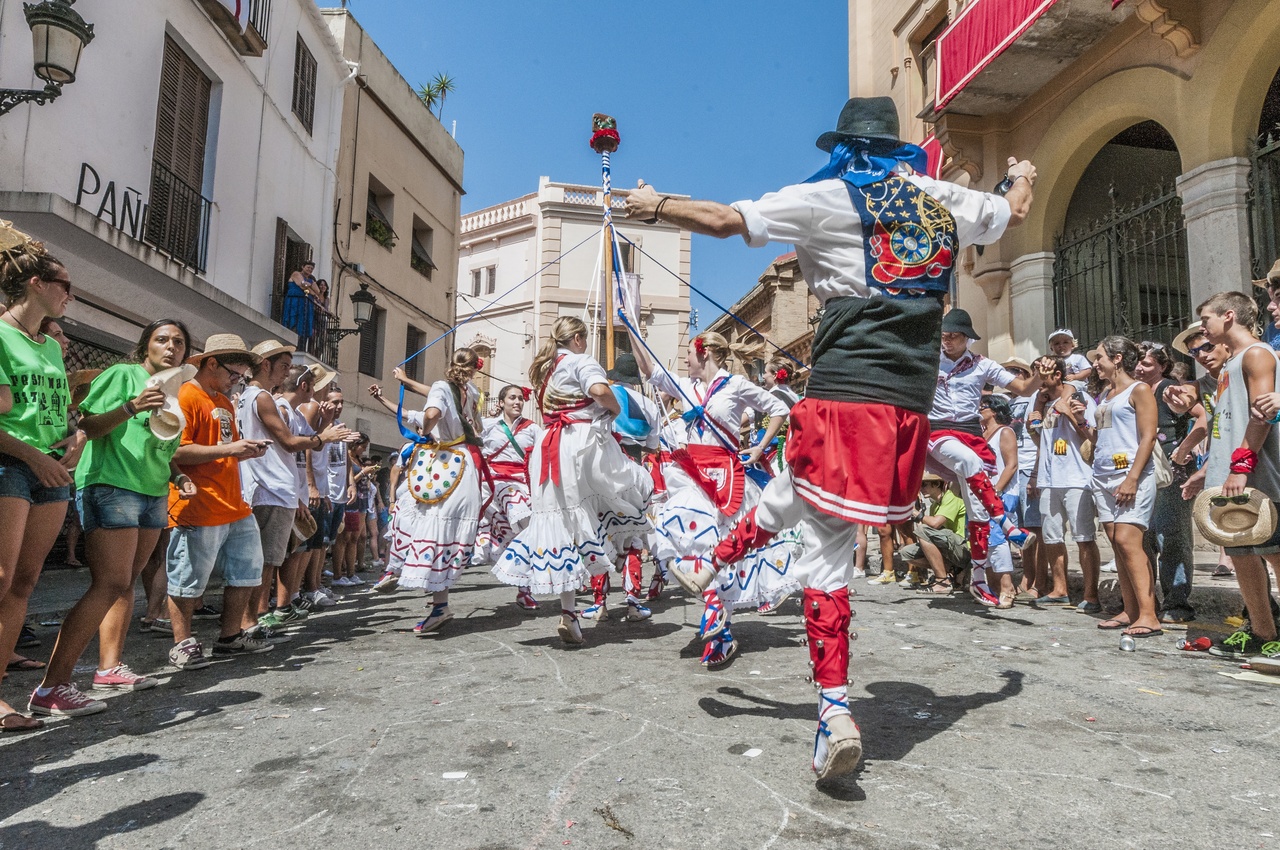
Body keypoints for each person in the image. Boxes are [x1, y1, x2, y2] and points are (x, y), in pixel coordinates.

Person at [624, 96, 1034, 782]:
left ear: (845, 147)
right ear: (899, 149)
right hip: (906, 408)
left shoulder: (825, 196)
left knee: (824, 554)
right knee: (798, 495)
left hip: (844, 395)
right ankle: (715, 563)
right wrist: (1023, 170)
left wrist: (655, 203)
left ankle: (835, 713)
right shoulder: (942, 200)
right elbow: (1013, 209)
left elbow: (727, 220)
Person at [31, 320, 197, 716]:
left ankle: (108, 668)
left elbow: (161, 448)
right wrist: (131, 406)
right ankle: (52, 687)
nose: (171, 347)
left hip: (153, 491)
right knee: (109, 584)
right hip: (112, 484)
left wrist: (179, 475)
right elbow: (87, 425)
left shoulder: (176, 393)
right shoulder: (125, 375)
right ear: (145, 347)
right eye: (162, 340)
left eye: (179, 342)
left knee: (124, 586)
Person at [628, 327, 793, 666]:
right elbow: (650, 370)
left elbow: (779, 408)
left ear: (704, 353)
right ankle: (715, 609)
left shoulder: (735, 386)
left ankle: (721, 631)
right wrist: (630, 325)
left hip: (726, 475)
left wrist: (760, 447)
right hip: (691, 472)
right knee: (683, 523)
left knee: (718, 548)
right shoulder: (686, 387)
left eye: (688, 352)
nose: (685, 359)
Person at [491, 317, 653, 646]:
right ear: (578, 338)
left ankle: (569, 614)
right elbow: (598, 390)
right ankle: (625, 559)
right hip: (581, 447)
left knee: (563, 527)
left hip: (549, 449)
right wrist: (613, 408)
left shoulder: (546, 369)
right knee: (632, 490)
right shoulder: (580, 361)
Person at [0, 227, 83, 731]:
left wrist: (72, 436)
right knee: (2, 579)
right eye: (64, 285)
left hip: (50, 468)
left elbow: (56, 409)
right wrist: (34, 456)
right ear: (35, 283)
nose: (69, 295)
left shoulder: (50, 346)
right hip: (11, 463)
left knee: (25, 582)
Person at [165, 334, 274, 668]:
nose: (235, 380)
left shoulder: (223, 403)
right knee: (187, 577)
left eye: (240, 376)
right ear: (211, 363)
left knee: (247, 570)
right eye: (233, 373)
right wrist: (231, 450)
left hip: (232, 502)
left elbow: (224, 448)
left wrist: (246, 449)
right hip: (197, 502)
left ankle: (230, 637)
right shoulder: (186, 396)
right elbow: (176, 451)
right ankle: (182, 643)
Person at [925, 308, 1039, 606]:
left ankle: (977, 579)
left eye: (954, 336)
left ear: (967, 338)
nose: (947, 341)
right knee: (970, 463)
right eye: (944, 335)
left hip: (971, 435)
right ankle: (1007, 525)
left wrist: (1042, 375)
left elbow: (1025, 388)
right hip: (938, 432)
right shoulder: (926, 359)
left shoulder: (982, 365)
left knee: (977, 513)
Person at [237, 341, 353, 632]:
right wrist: (323, 438)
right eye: (284, 366)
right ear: (266, 365)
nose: (286, 373)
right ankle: (256, 619)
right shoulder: (263, 398)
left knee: (268, 560)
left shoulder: (249, 398)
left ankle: (256, 618)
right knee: (265, 563)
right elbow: (289, 444)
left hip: (271, 489)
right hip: (270, 489)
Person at [1192, 289, 1280, 659]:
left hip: (1257, 476)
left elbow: (1263, 415)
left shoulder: (1257, 354)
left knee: (1276, 554)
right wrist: (1207, 471)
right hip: (1229, 476)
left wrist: (1241, 467)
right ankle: (1264, 633)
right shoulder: (1229, 363)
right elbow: (1225, 424)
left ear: (1228, 316)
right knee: (1243, 556)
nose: (1203, 330)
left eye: (1206, 320)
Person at [385, 349, 486, 634]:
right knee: (441, 533)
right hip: (465, 463)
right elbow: (440, 393)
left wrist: (425, 427)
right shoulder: (472, 392)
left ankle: (396, 570)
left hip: (445, 462)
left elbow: (433, 408)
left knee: (417, 518)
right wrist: (407, 381)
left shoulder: (446, 388)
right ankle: (437, 604)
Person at [1085, 336, 1161, 637]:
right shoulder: (1106, 393)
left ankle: (1149, 615)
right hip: (1103, 476)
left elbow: (1148, 436)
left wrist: (1132, 477)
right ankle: (1130, 610)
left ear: (1117, 358)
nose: (1095, 363)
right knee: (1117, 542)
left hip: (1130, 475)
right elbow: (1101, 435)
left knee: (1130, 541)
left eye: (1100, 357)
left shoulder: (1139, 389)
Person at [1135, 341, 1204, 623]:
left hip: (1171, 475)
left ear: (1162, 367)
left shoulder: (1167, 390)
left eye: (1147, 363)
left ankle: (1177, 602)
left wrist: (1183, 450)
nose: (1140, 368)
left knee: (1172, 538)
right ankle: (1148, 602)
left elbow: (1202, 420)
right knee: (1144, 538)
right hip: (1142, 474)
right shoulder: (1134, 392)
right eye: (1137, 362)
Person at [1028, 356, 1101, 610]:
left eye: (1042, 374)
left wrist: (1070, 413)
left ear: (1058, 375)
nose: (1037, 380)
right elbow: (1043, 444)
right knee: (1051, 537)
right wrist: (1033, 428)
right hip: (1050, 480)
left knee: (1084, 537)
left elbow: (1093, 435)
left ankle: (1091, 595)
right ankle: (1060, 589)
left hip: (1077, 478)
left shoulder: (1079, 397)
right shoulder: (1043, 403)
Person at [979, 394, 1020, 608]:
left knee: (997, 538)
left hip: (1000, 493)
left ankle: (1007, 587)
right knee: (983, 539)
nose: (979, 409)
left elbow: (1011, 465)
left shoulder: (1005, 432)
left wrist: (996, 490)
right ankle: (992, 587)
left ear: (994, 410)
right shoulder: (982, 435)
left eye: (983, 406)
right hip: (981, 493)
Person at [897, 474, 968, 590]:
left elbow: (935, 523)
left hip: (963, 547)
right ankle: (951, 571)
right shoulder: (934, 505)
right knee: (906, 553)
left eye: (924, 485)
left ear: (937, 485)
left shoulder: (951, 498)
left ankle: (942, 580)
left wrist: (916, 513)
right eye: (920, 486)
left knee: (922, 531)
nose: (921, 489)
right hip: (949, 547)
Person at [281, 261, 320, 349]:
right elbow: (301, 285)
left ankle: (300, 346)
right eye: (308, 267)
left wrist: (309, 286)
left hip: (305, 304)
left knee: (303, 325)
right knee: (293, 321)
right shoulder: (296, 274)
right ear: (303, 267)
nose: (310, 269)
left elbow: (318, 290)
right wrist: (312, 291)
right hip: (295, 301)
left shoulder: (311, 279)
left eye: (311, 268)